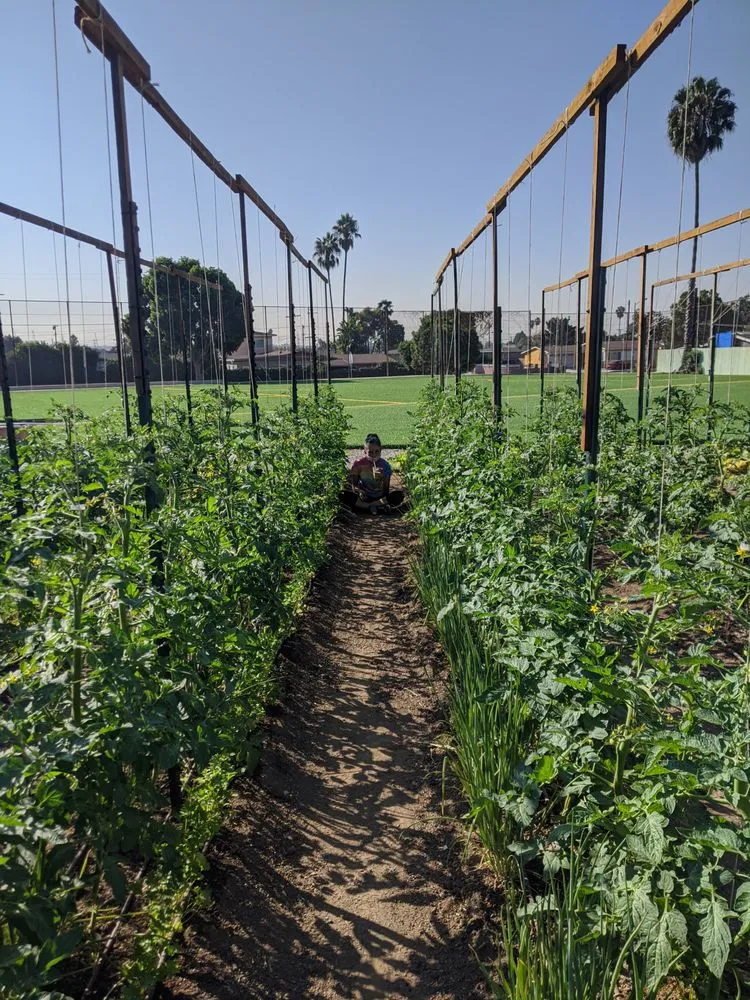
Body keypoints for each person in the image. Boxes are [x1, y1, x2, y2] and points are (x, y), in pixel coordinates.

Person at [341, 433, 405, 514]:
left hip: (379, 499)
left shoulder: (385, 465)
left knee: (399, 495)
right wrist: (359, 491)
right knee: (343, 494)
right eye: (370, 452)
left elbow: (386, 490)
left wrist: (381, 479)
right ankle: (377, 508)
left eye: (376, 451)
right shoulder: (358, 464)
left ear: (381, 450)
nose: (374, 455)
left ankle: (366, 507)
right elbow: (353, 485)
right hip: (363, 497)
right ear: (365, 451)